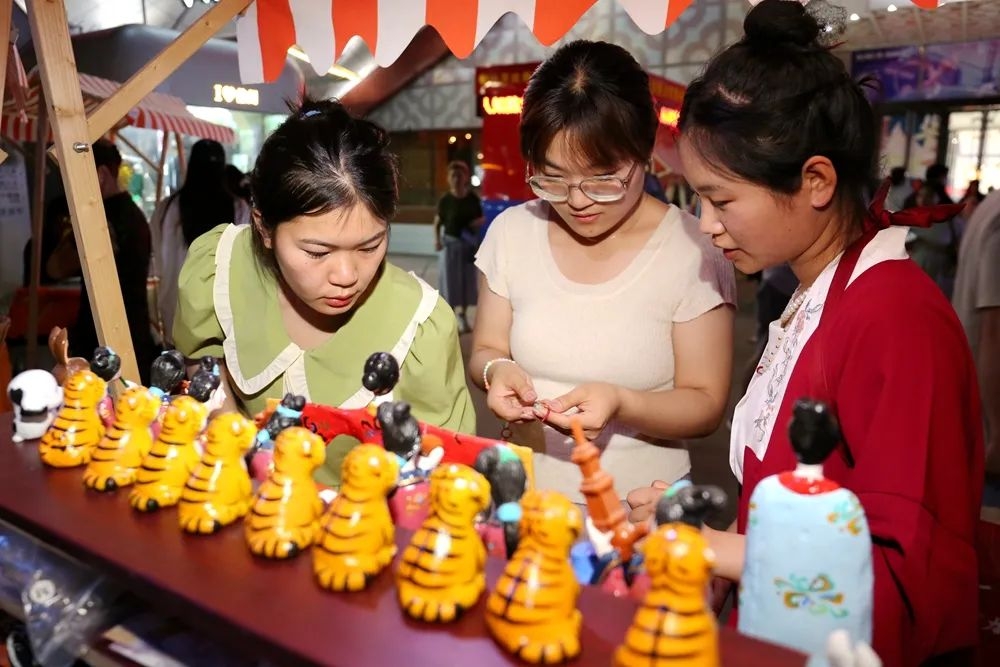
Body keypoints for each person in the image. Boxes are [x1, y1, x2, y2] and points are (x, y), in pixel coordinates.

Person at [627, 2, 982, 664]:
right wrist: (714, 545)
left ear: (816, 180)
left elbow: (903, 577)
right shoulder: (816, 294)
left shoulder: (896, 322)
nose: (706, 223)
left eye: (721, 198)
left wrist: (712, 547)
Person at [469, 40, 736, 504]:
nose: (577, 200)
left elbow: (705, 403)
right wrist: (497, 370)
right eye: (552, 178)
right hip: (523, 496)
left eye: (603, 178)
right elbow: (486, 349)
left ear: (645, 148)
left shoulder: (693, 248)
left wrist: (622, 403)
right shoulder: (512, 233)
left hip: (640, 505)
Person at [173, 98, 475, 486]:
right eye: (317, 252)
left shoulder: (421, 326)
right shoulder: (221, 266)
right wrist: (236, 450)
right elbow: (204, 365)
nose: (347, 276)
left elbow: (443, 470)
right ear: (263, 227)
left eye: (370, 246)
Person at [45, 139, 157, 385]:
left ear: (101, 174)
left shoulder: (99, 218)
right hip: (134, 336)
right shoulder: (135, 215)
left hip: (101, 342)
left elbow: (55, 267)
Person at [150, 139, 250, 346]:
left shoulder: (166, 209)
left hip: (175, 311)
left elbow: (157, 262)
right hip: (222, 315)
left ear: (190, 165)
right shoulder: (239, 209)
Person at [952, 188, 1000, 508]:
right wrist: (997, 431)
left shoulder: (990, 207)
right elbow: (994, 332)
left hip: (973, 416)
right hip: (989, 431)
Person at [433, 160, 483, 333]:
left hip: (468, 246)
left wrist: (477, 222)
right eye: (453, 175)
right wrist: (437, 240)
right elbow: (437, 222)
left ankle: (462, 315)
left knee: (466, 281)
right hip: (450, 245)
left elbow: (481, 218)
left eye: (459, 175)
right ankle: (451, 316)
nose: (456, 178)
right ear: (449, 178)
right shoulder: (446, 200)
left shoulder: (472, 199)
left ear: (466, 177)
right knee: (451, 281)